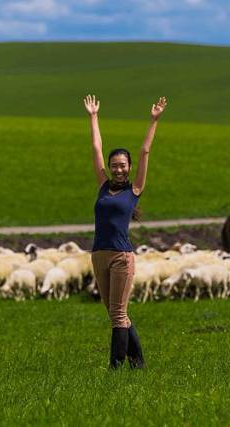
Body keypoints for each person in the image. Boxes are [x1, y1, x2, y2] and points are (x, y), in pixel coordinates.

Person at [83, 93, 167, 370]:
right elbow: (96, 149)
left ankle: (115, 367)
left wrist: (153, 120)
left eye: (123, 165)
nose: (119, 169)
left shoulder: (134, 190)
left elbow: (144, 151)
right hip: (99, 255)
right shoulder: (103, 186)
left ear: (129, 168)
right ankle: (138, 361)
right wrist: (93, 117)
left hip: (121, 257)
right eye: (115, 165)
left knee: (119, 314)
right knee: (113, 313)